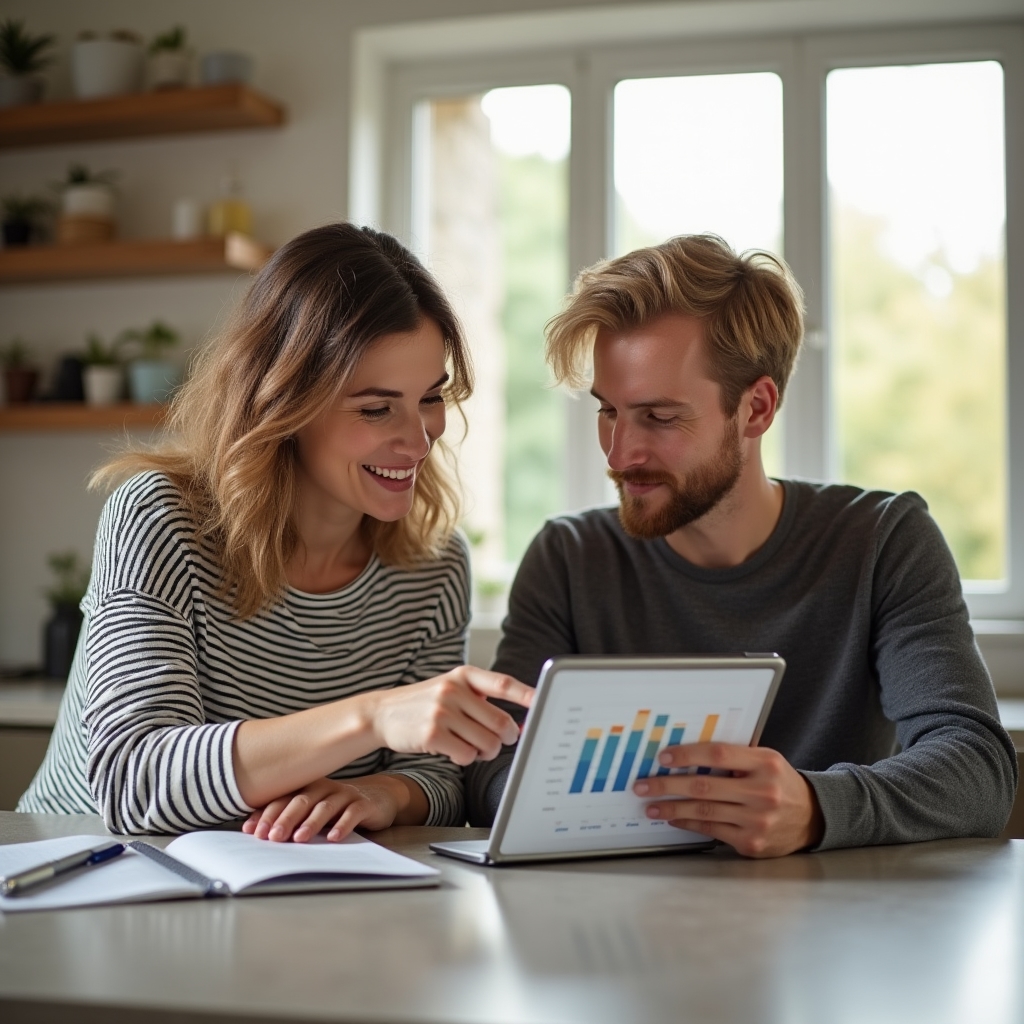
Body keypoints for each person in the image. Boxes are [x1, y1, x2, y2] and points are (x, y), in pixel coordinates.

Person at [465, 233, 1017, 857]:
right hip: (614, 929)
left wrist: (812, 808)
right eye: (607, 411)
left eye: (659, 417)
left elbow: (978, 771)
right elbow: (490, 767)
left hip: (838, 929)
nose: (619, 454)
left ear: (755, 409)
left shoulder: (882, 542)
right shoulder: (568, 558)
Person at [19, 223, 531, 842]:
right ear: (283, 402)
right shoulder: (161, 519)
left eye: (431, 398)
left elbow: (436, 776)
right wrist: (372, 717)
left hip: (275, 893)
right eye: (376, 408)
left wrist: (383, 794)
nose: (420, 438)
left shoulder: (433, 565)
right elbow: (137, 781)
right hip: (82, 875)